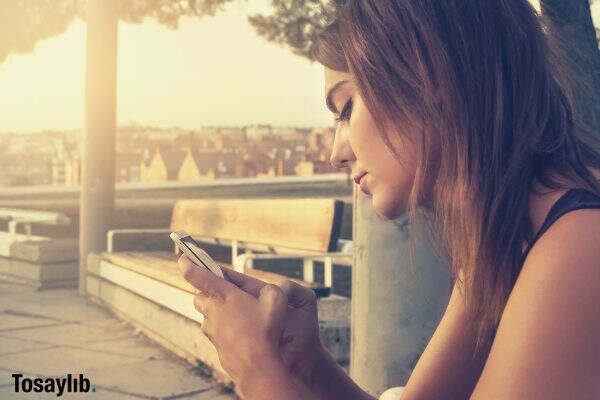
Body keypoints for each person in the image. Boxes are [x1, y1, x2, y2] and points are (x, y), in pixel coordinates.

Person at [177, 1, 600, 399]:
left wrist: (257, 369)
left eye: (345, 108)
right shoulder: (503, 239)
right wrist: (307, 365)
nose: (336, 152)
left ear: (430, 79)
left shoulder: (581, 248)